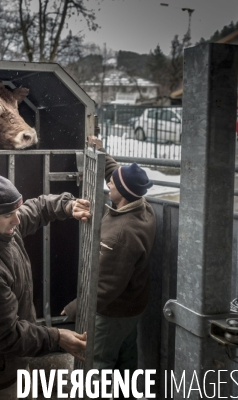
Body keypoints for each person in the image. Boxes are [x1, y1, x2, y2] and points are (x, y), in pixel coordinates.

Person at [0, 173, 89, 399]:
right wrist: (57, 337)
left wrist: (67, 205)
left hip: (10, 363)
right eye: (9, 215)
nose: (17, 221)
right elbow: (6, 337)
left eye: (15, 211)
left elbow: (34, 209)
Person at [63, 136, 156, 399]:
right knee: (126, 361)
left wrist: (74, 309)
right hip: (133, 306)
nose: (108, 183)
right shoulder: (143, 208)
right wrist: (102, 153)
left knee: (98, 364)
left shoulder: (121, 235)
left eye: (111, 184)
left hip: (113, 311)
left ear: (122, 193)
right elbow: (118, 175)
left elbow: (105, 287)